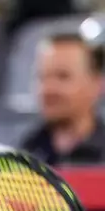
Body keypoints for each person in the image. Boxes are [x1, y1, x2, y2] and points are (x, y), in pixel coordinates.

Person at [21, 33, 105, 165]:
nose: (48, 88)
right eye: (41, 77)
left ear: (97, 84)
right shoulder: (23, 155)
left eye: (62, 76)